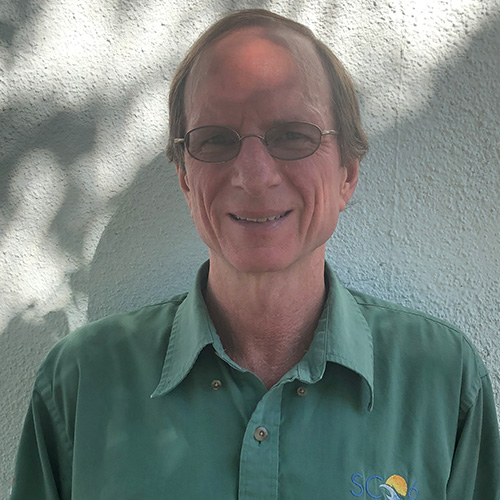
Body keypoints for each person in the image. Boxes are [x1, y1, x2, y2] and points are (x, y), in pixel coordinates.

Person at [11, 9, 500, 500]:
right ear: (185, 177)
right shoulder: (80, 384)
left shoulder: (442, 381)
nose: (254, 174)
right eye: (215, 139)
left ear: (347, 171)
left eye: (292, 135)